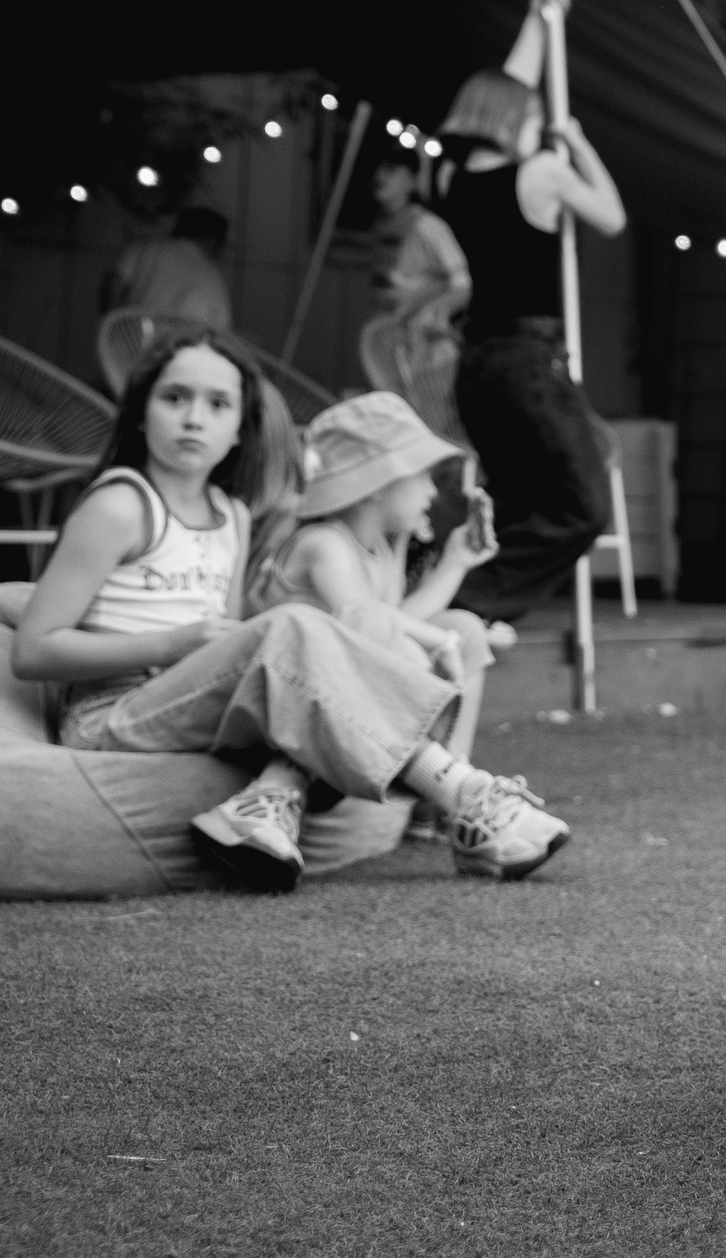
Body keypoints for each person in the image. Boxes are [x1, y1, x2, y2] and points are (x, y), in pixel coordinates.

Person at [5, 328, 569, 891]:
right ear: (139, 415)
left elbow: (227, 640)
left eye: (218, 404)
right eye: (174, 398)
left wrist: (207, 650)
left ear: (239, 430)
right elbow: (33, 651)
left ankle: (268, 801)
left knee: (309, 672)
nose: (194, 418)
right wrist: (172, 644)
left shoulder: (230, 515)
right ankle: (464, 796)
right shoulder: (119, 507)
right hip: (110, 714)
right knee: (300, 630)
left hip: (191, 700)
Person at [432, 0, 627, 622]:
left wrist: (539, 18)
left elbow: (509, 83)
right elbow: (612, 217)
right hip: (527, 363)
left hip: (478, 368)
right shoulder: (540, 173)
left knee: (518, 505)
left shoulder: (450, 177)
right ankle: (466, 605)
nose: (537, 124)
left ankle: (462, 611)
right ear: (510, 116)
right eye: (531, 115)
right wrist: (578, 142)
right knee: (583, 508)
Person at [250, 392, 502, 839]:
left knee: (463, 630)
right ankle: (446, 785)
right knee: (404, 636)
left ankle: (444, 793)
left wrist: (456, 563)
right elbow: (365, 619)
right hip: (297, 704)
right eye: (422, 477)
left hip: (349, 697)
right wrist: (434, 642)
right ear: (379, 483)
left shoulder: (381, 548)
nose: (432, 492)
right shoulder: (324, 544)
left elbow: (397, 616)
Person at [361, 157, 472, 443]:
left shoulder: (428, 226)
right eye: (378, 167)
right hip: (388, 348)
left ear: (411, 180)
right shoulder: (379, 225)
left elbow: (463, 285)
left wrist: (428, 309)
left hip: (426, 353)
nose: (380, 175)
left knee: (432, 435)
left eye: (391, 168)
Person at [103, 206, 232, 329]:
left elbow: (113, 285)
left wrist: (114, 326)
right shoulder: (213, 277)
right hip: (183, 343)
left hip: (132, 339)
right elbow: (220, 331)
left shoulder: (147, 249)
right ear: (211, 241)